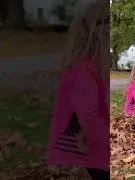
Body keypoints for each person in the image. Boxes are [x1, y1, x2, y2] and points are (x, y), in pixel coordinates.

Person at [45, 1, 110, 179]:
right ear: (90, 29)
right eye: (105, 21)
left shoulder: (101, 61)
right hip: (94, 144)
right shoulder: (84, 66)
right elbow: (88, 114)